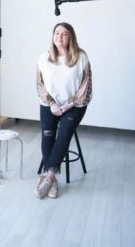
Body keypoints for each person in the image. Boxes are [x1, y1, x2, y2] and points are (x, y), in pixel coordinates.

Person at [35, 22, 92, 199]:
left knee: (64, 133)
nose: (59, 37)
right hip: (49, 104)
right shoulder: (43, 58)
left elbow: (86, 86)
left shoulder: (81, 57)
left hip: (74, 106)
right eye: (56, 33)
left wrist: (69, 105)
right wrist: (52, 103)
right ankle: (53, 182)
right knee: (47, 134)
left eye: (64, 34)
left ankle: (49, 175)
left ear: (71, 37)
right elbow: (40, 84)